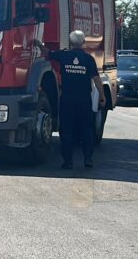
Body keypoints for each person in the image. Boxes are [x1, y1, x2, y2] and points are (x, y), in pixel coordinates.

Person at [39, 30, 106, 169]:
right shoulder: (88, 59)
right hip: (84, 100)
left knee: (66, 131)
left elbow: (47, 53)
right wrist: (102, 96)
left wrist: (38, 44)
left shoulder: (63, 55)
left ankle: (68, 161)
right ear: (83, 42)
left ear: (70, 42)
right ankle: (88, 159)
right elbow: (96, 79)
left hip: (67, 100)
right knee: (86, 130)